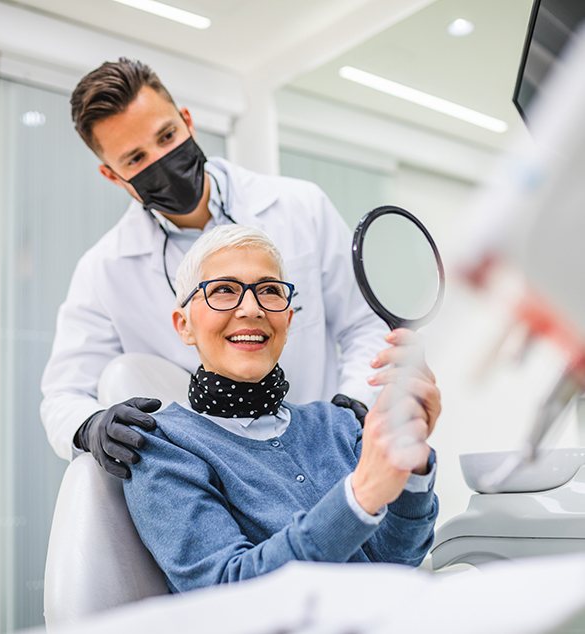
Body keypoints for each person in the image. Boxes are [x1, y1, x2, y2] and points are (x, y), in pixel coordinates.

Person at [40, 57, 391, 478]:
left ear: (188, 121)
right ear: (113, 176)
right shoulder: (105, 269)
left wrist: (351, 407)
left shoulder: (301, 208)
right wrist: (89, 425)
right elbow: (64, 393)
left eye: (167, 136)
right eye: (135, 159)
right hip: (215, 477)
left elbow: (364, 326)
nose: (162, 161)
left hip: (326, 453)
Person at [123, 225, 440, 593]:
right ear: (184, 325)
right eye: (224, 290)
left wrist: (411, 465)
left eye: (269, 291)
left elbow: (397, 560)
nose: (251, 309)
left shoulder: (337, 425)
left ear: (288, 320)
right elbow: (227, 593)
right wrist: (360, 495)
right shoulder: (164, 449)